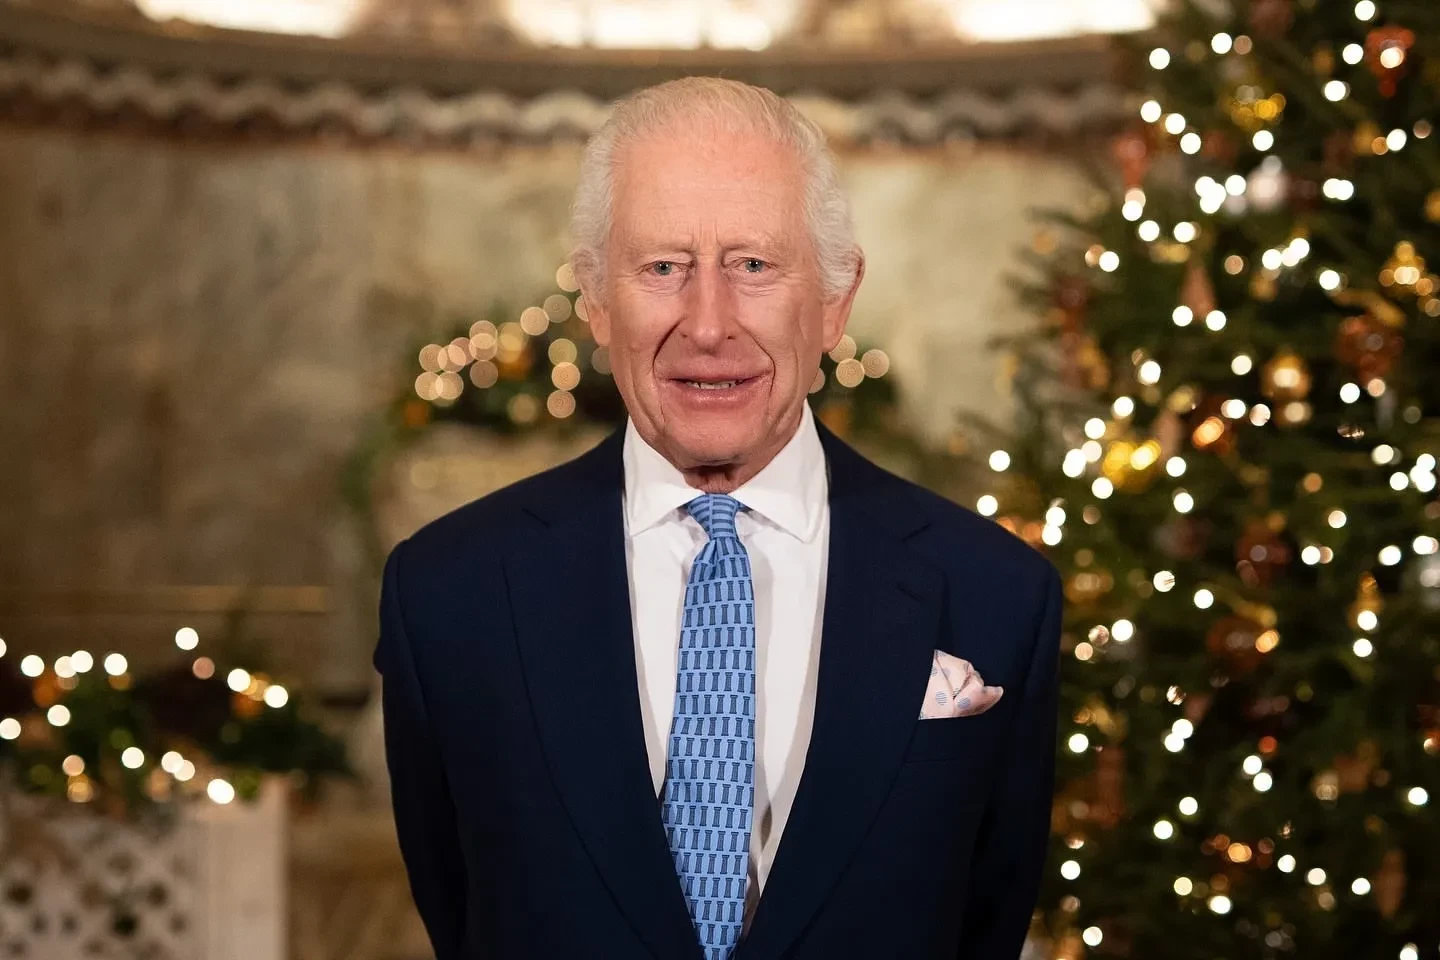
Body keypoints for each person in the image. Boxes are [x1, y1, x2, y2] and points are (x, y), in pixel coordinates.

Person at [374, 76, 1063, 960]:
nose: (707, 325)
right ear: (596, 299)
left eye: (754, 266)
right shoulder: (448, 595)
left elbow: (987, 917)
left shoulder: (997, 596)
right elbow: (460, 907)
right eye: (663, 268)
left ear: (835, 300)